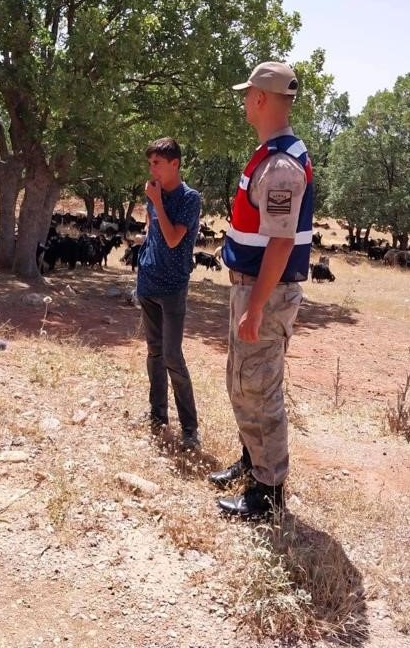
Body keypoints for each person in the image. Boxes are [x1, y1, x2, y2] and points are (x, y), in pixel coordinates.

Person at [209, 61, 313, 519]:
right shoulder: (271, 153)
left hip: (266, 293)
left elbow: (281, 242)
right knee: (242, 382)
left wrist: (254, 308)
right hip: (252, 288)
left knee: (259, 389)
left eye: (247, 93)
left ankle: (268, 493)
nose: (243, 101)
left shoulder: (282, 165)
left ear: (260, 99)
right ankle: (253, 463)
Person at [136, 138, 202, 450]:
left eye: (157, 164)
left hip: (173, 284)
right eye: (150, 164)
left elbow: (175, 238)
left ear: (174, 164)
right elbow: (153, 229)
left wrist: (158, 203)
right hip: (148, 279)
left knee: (173, 355)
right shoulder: (153, 194)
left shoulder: (190, 199)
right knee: (154, 352)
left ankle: (190, 429)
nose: (152, 170)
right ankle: (157, 415)